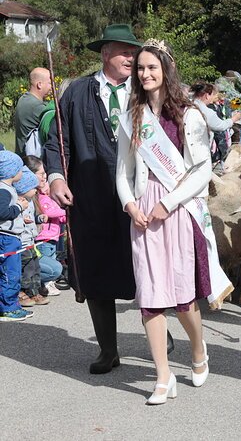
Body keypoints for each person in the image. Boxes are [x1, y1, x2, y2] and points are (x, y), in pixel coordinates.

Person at [43, 25, 148, 374]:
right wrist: (57, 177)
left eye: (134, 53)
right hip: (90, 197)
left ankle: (158, 336)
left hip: (140, 195)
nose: (131, 58)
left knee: (148, 267)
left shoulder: (147, 90)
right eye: (123, 52)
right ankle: (108, 349)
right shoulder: (76, 93)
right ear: (105, 54)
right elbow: (58, 141)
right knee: (97, 269)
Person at [116, 39, 215, 405]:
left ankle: (198, 348)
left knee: (182, 297)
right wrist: (129, 203)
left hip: (176, 210)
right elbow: (122, 171)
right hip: (143, 213)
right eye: (140, 68)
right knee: (150, 297)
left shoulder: (188, 115)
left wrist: (168, 203)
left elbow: (202, 170)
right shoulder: (132, 116)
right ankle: (163, 376)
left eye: (151, 67)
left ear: (166, 70)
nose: (145, 74)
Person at [25, 155, 65, 296]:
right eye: (41, 174)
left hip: (51, 237)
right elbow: (50, 210)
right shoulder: (35, 198)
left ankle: (44, 284)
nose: (44, 177)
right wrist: (64, 212)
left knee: (54, 261)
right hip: (42, 240)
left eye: (45, 174)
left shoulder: (43, 194)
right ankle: (34, 285)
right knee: (52, 264)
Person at [0, 152, 32, 321]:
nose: (22, 172)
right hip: (7, 239)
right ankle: (8, 308)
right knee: (9, 273)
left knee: (12, 272)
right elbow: (2, 212)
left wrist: (21, 217)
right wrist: (19, 207)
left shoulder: (8, 189)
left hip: (12, 237)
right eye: (19, 168)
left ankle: (11, 305)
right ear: (11, 171)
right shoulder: (3, 190)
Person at [16, 165, 50, 307]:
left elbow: (33, 216)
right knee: (26, 268)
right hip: (21, 243)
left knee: (35, 267)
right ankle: (23, 291)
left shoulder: (30, 202)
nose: (36, 191)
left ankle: (34, 290)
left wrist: (39, 218)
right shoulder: (19, 202)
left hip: (31, 241)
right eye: (32, 188)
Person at [14, 67, 53, 156]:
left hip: (23, 156)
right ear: (39, 84)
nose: (52, 87)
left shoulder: (24, 98)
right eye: (50, 83)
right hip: (31, 161)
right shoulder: (36, 106)